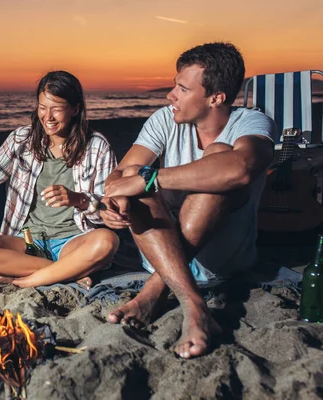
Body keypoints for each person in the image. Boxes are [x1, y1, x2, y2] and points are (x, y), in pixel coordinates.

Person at [101, 42, 275, 358]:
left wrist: (150, 179)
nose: (171, 96)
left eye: (182, 89)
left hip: (221, 265)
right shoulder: (165, 118)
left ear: (216, 98)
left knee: (219, 158)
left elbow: (241, 168)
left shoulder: (252, 123)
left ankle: (153, 293)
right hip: (158, 256)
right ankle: (195, 306)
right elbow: (123, 172)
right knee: (138, 184)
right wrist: (117, 201)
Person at [0, 71, 120, 288]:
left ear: (75, 109)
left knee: (107, 241)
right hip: (26, 240)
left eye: (56, 108)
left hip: (73, 242)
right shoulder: (22, 139)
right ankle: (67, 271)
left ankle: (23, 280)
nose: (48, 117)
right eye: (42, 107)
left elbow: (108, 212)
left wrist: (79, 200)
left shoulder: (97, 147)